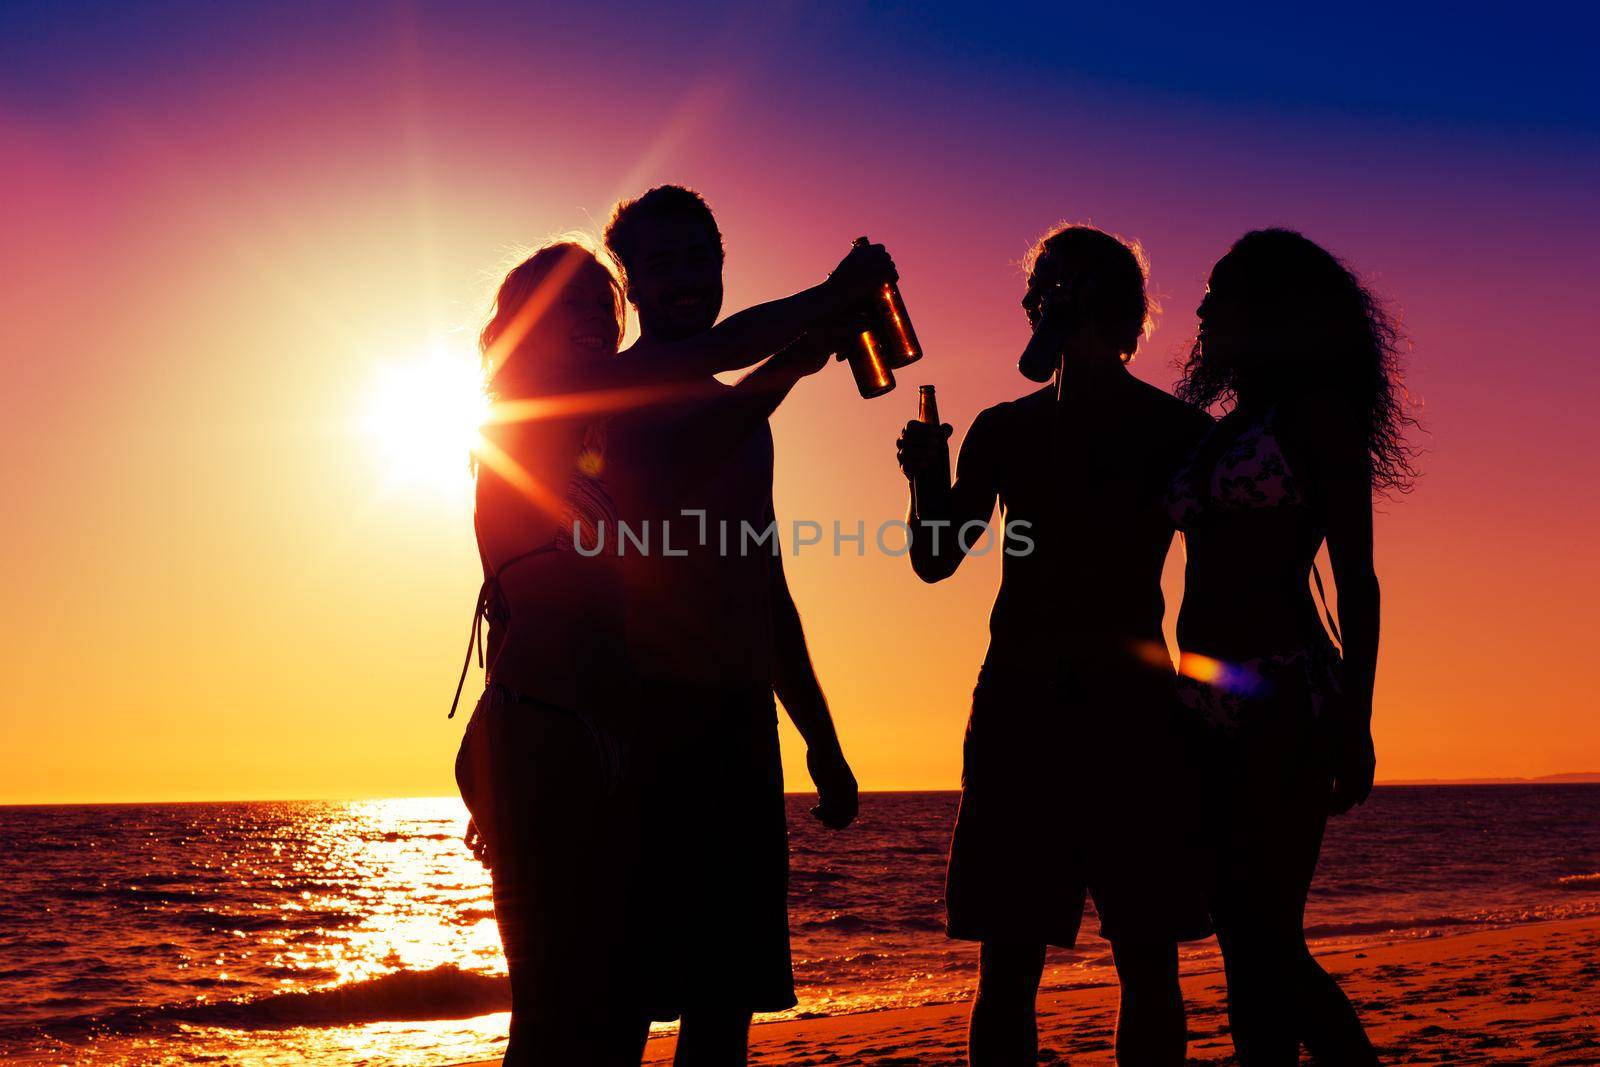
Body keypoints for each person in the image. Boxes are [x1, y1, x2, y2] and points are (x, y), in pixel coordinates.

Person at [452, 233, 891, 1065]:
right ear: (519, 325)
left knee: (606, 1006)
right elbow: (714, 353)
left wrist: (798, 357)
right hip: (548, 735)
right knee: (558, 1015)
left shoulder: (596, 430)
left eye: (597, 299)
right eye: (563, 301)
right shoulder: (531, 411)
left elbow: (707, 436)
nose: (588, 313)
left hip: (583, 737)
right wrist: (826, 306)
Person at [896, 224, 1214, 1066]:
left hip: (1131, 712)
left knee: (1146, 956)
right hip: (1022, 712)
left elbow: (1220, 577)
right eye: (1041, 289)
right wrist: (926, 476)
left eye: (1059, 288)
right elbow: (935, 556)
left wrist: (1210, 704)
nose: (1043, 300)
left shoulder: (1178, 432)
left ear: (1113, 310)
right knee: (1010, 961)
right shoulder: (1003, 429)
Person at [600, 185, 867, 1066]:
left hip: (739, 724)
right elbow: (690, 447)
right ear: (631, 284)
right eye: (662, 262)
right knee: (624, 1001)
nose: (684, 277)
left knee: (725, 1001)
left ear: (721, 266)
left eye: (698, 258)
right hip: (639, 725)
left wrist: (819, 736)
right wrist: (815, 327)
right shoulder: (617, 386)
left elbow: (766, 579)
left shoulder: (750, 412)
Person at [1168, 228, 1412, 1066]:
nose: (1201, 310)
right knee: (1239, 940)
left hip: (1284, 696)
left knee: (1267, 933)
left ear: (1266, 310)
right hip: (1200, 700)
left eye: (1218, 294)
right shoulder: (1227, 425)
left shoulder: (1318, 416)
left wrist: (1358, 717)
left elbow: (1360, 581)